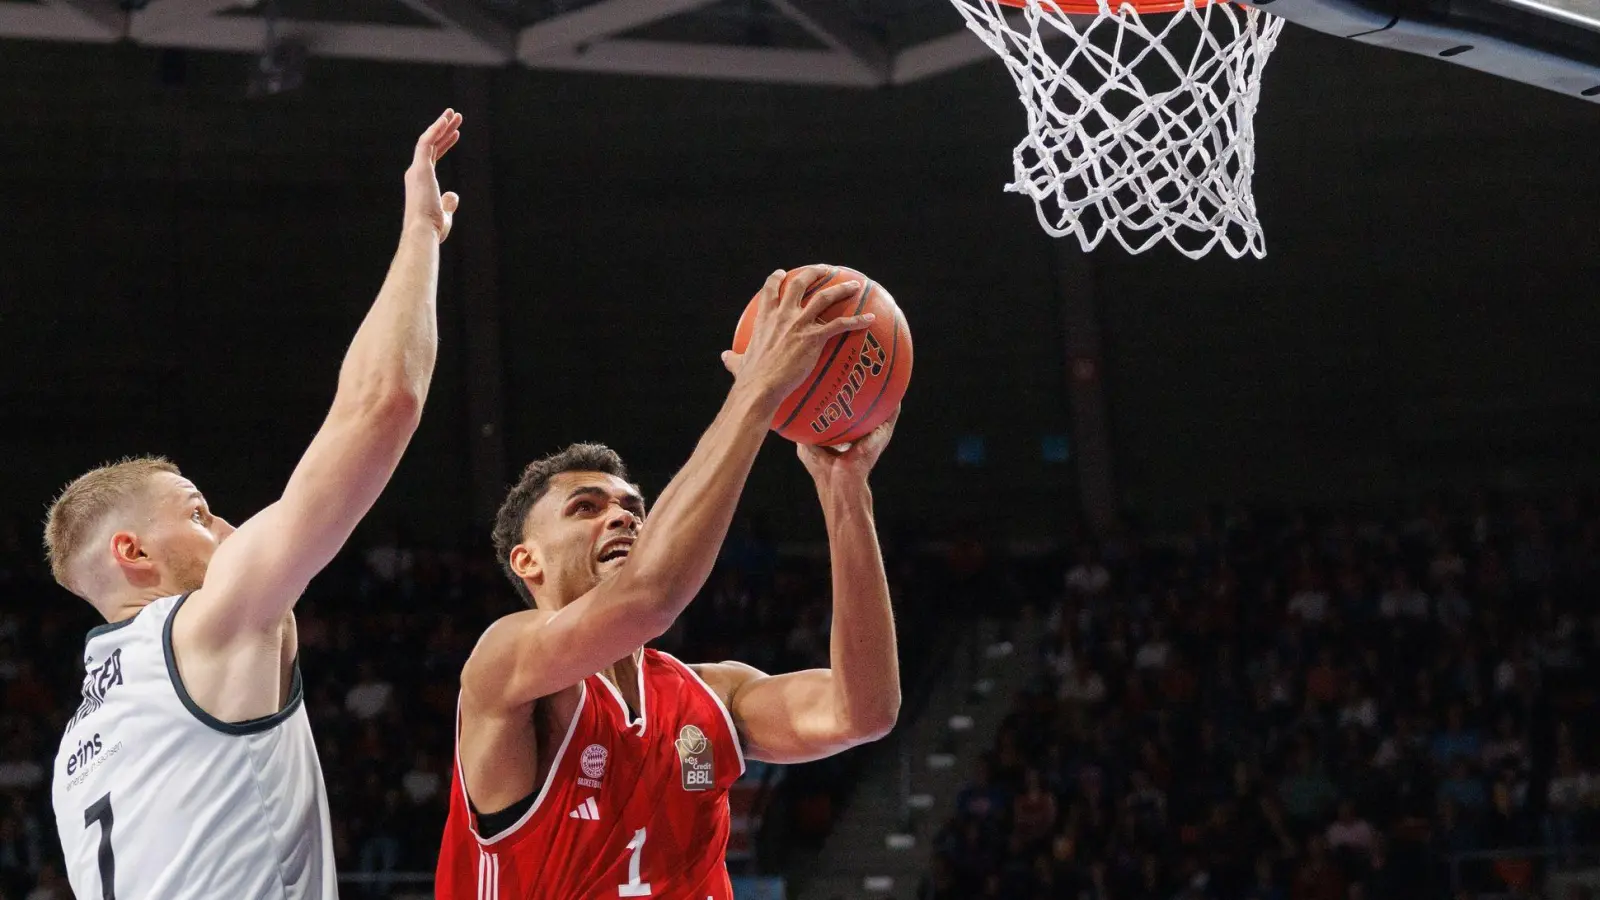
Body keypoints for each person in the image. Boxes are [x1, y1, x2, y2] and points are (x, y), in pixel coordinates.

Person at [44, 110, 463, 900]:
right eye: (198, 513)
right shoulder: (203, 629)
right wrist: (419, 235)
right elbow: (382, 405)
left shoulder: (78, 746)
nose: (228, 527)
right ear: (133, 552)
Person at [435, 265, 901, 899]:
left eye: (633, 508)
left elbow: (863, 711)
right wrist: (758, 389)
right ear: (527, 561)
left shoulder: (711, 696)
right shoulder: (505, 665)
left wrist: (845, 491)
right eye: (585, 508)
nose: (622, 516)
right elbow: (650, 598)